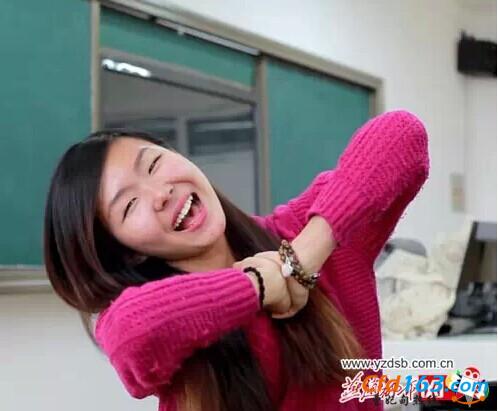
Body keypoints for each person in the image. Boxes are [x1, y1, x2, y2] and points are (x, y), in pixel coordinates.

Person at [43, 110, 430, 411]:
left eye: (153, 164)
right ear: (131, 251)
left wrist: (299, 261)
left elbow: (402, 134)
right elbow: (130, 331)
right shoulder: (165, 321)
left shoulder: (302, 230)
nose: (159, 193)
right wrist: (260, 284)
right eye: (129, 205)